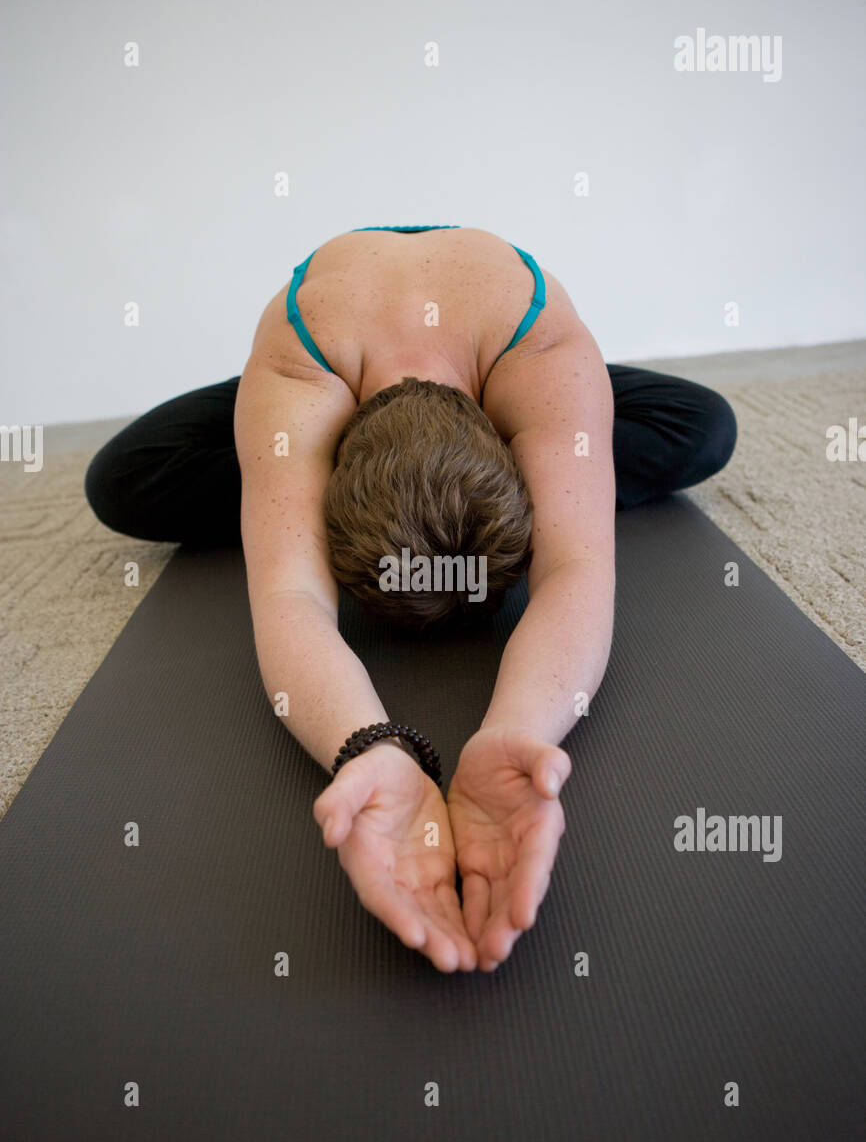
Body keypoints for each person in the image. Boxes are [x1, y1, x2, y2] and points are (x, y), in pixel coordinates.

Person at [85, 224, 737, 975]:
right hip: (334, 361)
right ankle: (287, 477)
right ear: (336, 471)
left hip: (498, 353)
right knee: (122, 481)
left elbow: (575, 573)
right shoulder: (297, 371)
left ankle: (509, 452)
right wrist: (364, 744)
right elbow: (289, 596)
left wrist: (516, 734)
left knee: (705, 428)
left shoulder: (546, 350)